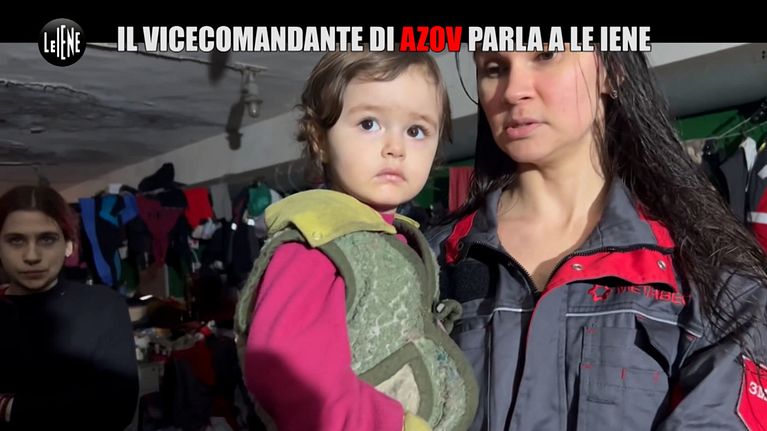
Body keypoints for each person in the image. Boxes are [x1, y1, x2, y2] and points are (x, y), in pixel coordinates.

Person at [428, 47, 767, 430]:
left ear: (612, 70)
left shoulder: (709, 275)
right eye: (494, 68)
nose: (512, 90)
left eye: (546, 55)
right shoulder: (428, 263)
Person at [234, 51, 478, 431]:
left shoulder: (393, 238)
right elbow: (288, 377)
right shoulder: (316, 247)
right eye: (369, 123)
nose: (395, 147)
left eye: (416, 131)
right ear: (320, 139)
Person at [0, 185, 139, 431]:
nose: (31, 256)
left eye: (47, 239)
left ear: (68, 246)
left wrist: (8, 407)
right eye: (16, 240)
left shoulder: (103, 306)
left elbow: (117, 406)